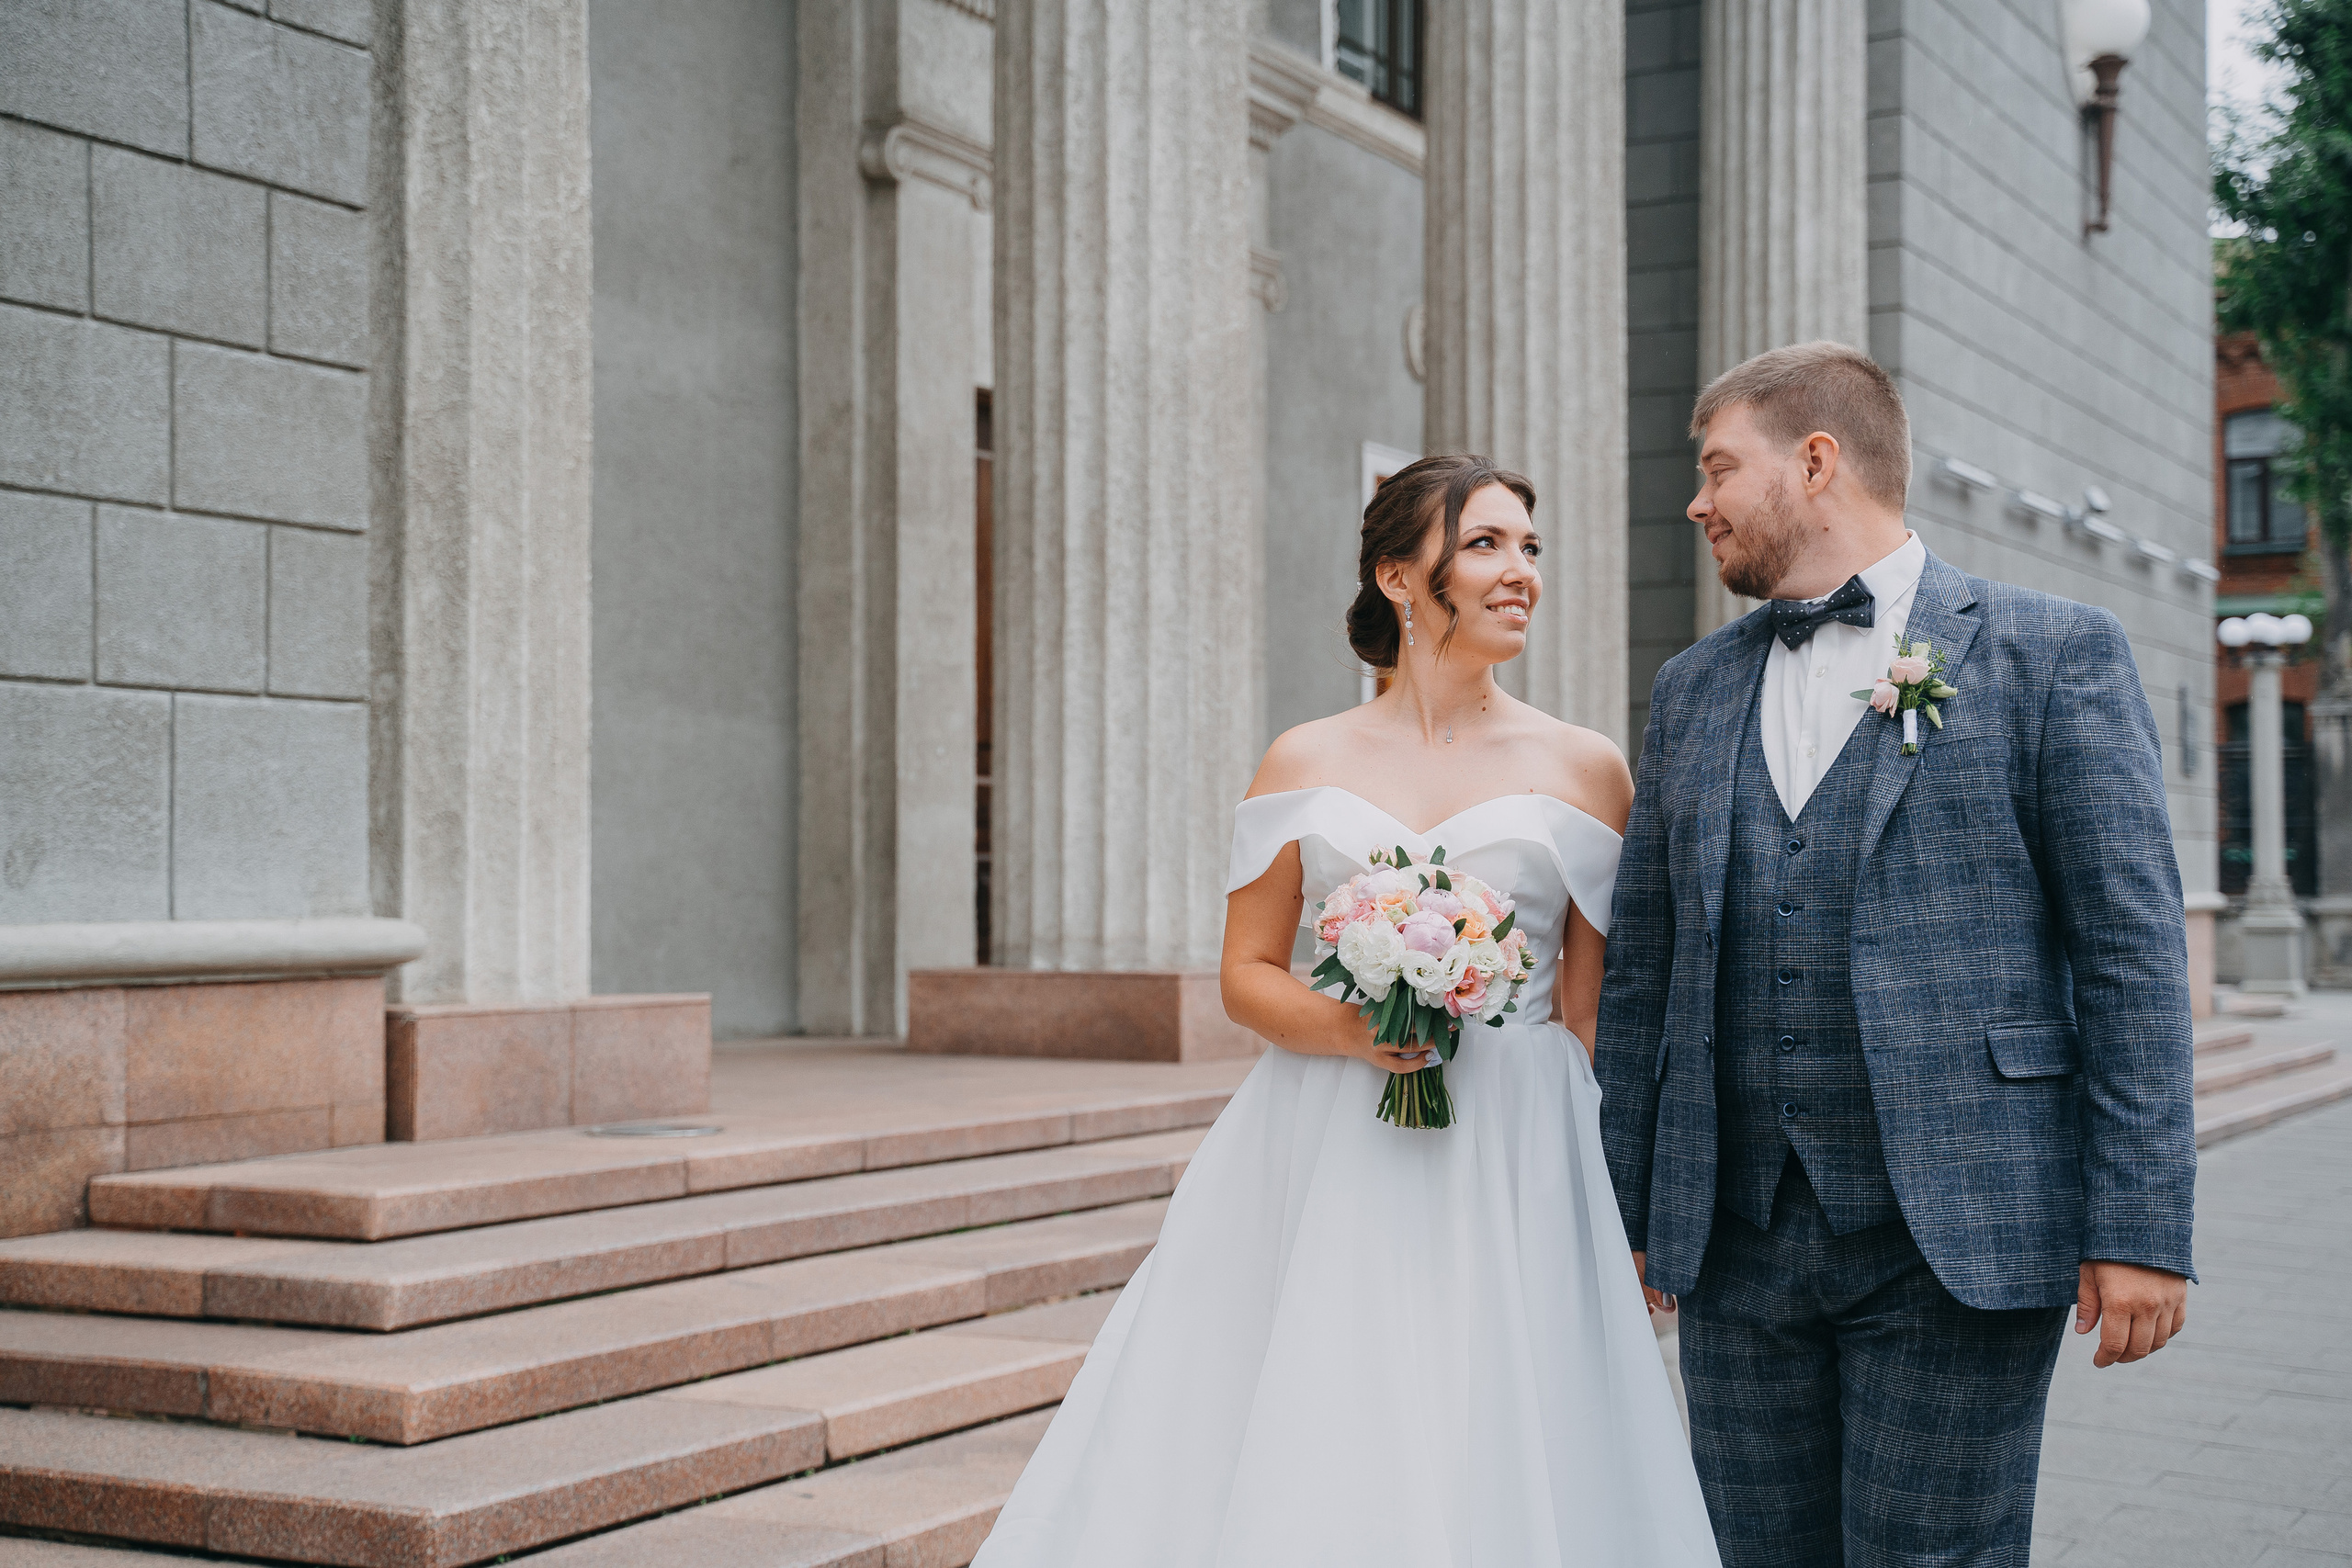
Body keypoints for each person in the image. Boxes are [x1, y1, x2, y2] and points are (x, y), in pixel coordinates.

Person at [973, 455, 1721, 1566]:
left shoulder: (1587, 766)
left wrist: (1621, 1198)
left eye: (1529, 548)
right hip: (1325, 1139)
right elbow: (1247, 973)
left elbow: (1594, 1011)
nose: (1519, 572)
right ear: (1400, 577)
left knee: (1498, 1415)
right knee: (1324, 1399)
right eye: (1485, 546)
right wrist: (1352, 1030)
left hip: (1517, 1148)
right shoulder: (1305, 757)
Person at [1595, 341, 2197, 1568]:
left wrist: (2140, 1220)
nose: (1697, 502)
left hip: (1961, 1229)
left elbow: (2128, 953)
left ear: (1816, 461)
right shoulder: (1690, 689)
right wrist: (1635, 1204)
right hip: (1738, 1244)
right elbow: (1646, 972)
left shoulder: (2050, 652)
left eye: (1718, 467)